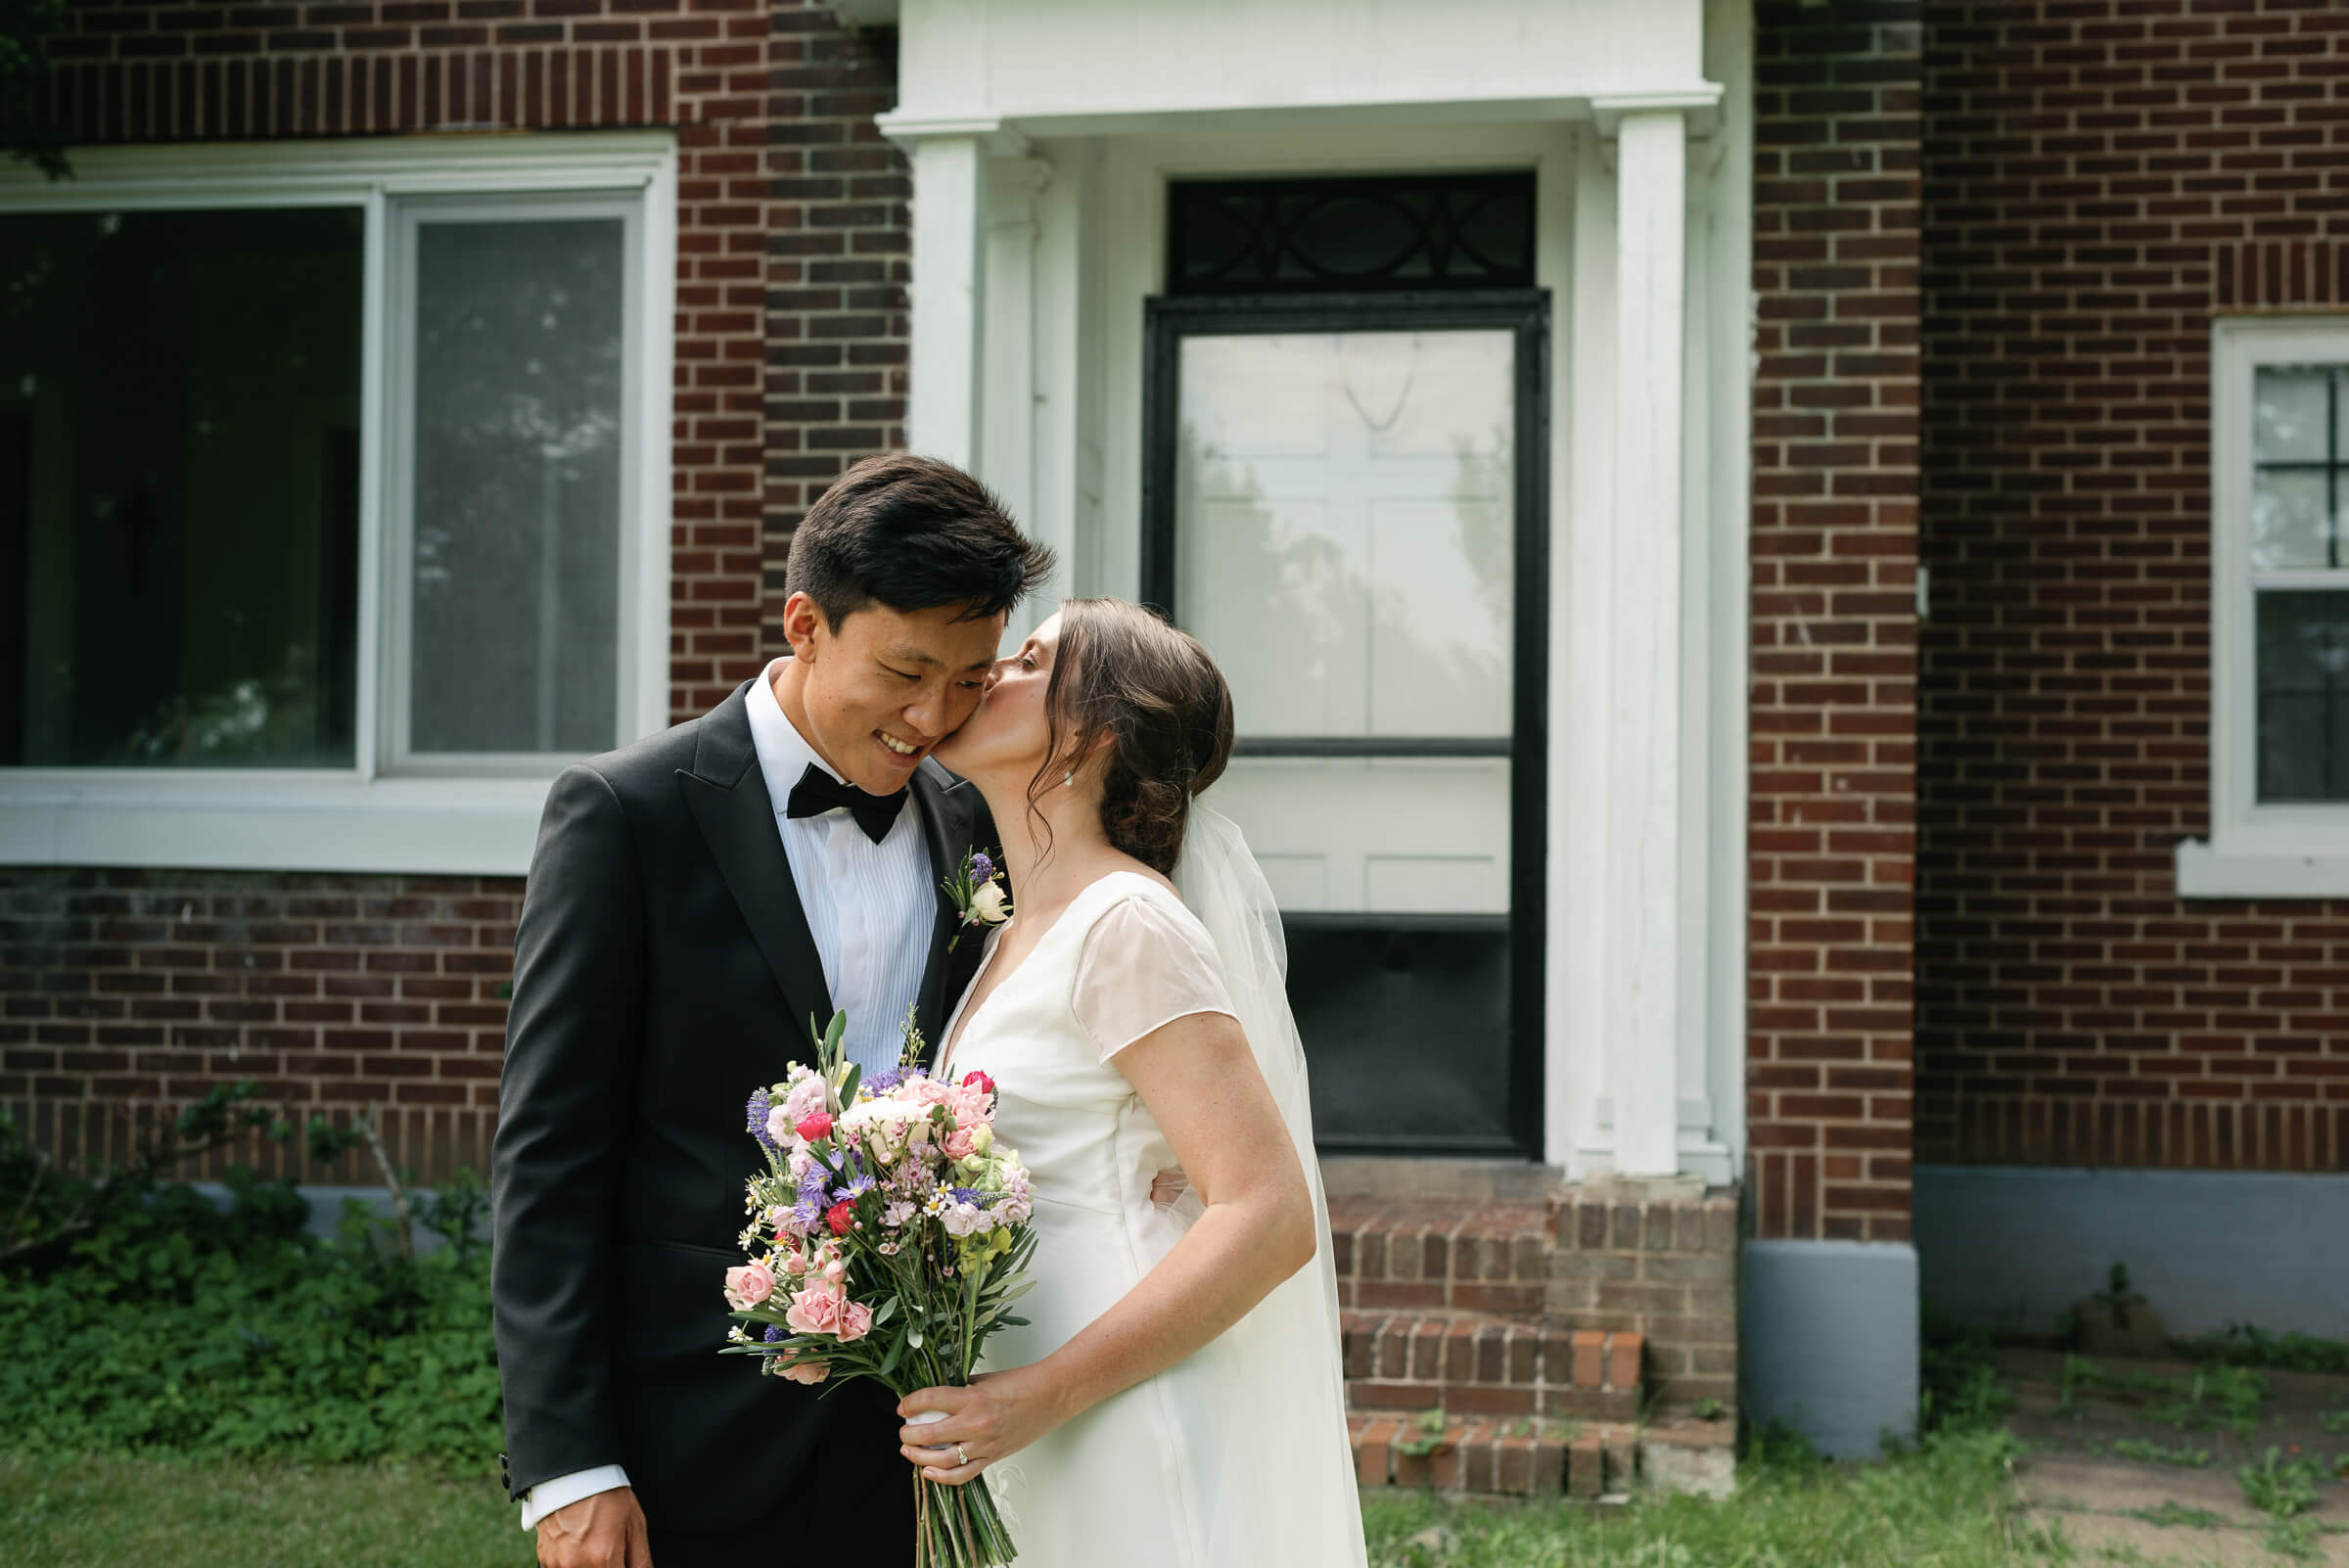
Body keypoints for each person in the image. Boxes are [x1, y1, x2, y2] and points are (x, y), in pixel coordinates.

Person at [491, 453, 1052, 1568]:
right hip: (686, 1440)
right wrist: (569, 1465)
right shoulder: (625, 814)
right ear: (806, 624)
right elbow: (550, 1159)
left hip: (917, 1445)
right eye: (904, 671)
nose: (933, 715)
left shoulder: (975, 821)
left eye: (970, 678)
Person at [898, 598, 1367, 1567]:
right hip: (1016, 1406)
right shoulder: (1004, 931)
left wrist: (1048, 1392)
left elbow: (1270, 1214)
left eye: (1031, 661)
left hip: (1106, 1406)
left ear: (1093, 735)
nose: (992, 671)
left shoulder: (1125, 923)